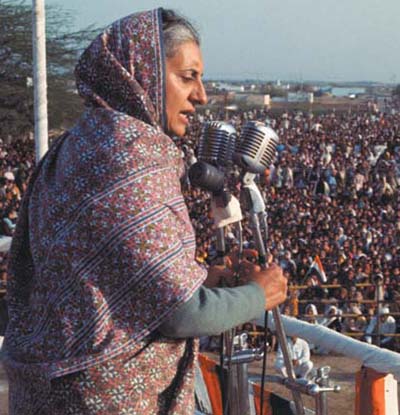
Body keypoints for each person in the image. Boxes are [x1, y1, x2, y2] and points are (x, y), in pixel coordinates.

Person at [3, 9, 287, 415]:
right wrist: (261, 294)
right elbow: (183, 313)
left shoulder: (76, 145)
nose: (201, 95)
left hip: (45, 395)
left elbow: (95, 275)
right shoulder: (134, 155)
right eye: (187, 76)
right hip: (105, 398)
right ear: (144, 73)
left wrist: (200, 278)